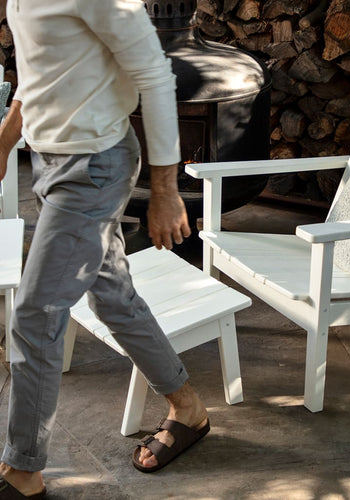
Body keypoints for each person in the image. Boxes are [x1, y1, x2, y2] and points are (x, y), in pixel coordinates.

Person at [0, 0, 210, 497]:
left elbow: (157, 79)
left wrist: (165, 189)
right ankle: (189, 408)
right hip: (51, 162)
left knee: (34, 315)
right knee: (112, 296)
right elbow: (42, 67)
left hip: (93, 170)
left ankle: (22, 473)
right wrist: (6, 139)